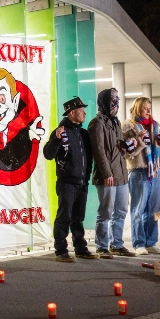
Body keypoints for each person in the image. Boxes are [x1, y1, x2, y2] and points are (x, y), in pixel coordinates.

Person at [43, 96, 98, 262]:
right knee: (64, 217)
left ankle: (80, 248)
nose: (84, 113)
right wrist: (55, 139)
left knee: (78, 217)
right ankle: (61, 250)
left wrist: (87, 177)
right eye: (81, 111)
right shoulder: (61, 131)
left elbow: (88, 158)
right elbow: (48, 154)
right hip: (66, 183)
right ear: (72, 112)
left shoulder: (83, 133)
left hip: (82, 183)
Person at [88, 88, 137, 258]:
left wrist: (127, 144)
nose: (116, 102)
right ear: (104, 101)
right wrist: (107, 173)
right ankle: (102, 246)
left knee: (121, 210)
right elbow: (99, 150)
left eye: (117, 98)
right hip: (107, 176)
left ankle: (117, 244)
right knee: (105, 212)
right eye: (113, 98)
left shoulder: (115, 122)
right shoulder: (97, 123)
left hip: (121, 174)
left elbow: (117, 147)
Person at [122, 97, 160, 256]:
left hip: (155, 171)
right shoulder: (128, 126)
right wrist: (139, 140)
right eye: (145, 108)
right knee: (138, 210)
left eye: (150, 108)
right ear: (137, 109)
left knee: (154, 209)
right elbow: (129, 153)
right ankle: (138, 243)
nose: (148, 111)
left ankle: (151, 242)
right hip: (138, 171)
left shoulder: (155, 126)